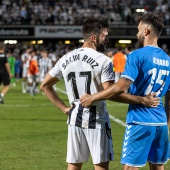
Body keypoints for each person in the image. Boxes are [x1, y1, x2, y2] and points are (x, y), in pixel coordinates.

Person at [40, 18, 159, 170]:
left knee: (74, 165)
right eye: (105, 35)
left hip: (74, 119)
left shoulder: (65, 58)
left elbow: (44, 85)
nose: (108, 39)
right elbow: (111, 93)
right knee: (101, 166)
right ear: (94, 38)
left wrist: (63, 108)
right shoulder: (103, 60)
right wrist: (141, 100)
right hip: (96, 121)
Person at [80, 13, 170, 170]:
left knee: (130, 167)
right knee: (158, 167)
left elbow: (119, 88)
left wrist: (93, 97)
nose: (137, 34)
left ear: (146, 31)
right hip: (161, 123)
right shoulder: (168, 59)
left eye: (138, 30)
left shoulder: (137, 55)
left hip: (140, 120)